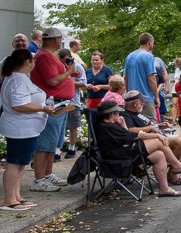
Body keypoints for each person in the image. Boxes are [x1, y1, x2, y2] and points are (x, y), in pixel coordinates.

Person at [1, 49, 65, 210]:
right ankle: (9, 199)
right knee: (14, 163)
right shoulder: (17, 80)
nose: (35, 62)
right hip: (20, 128)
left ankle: (16, 195)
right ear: (27, 62)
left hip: (28, 127)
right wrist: (43, 108)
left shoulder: (21, 78)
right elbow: (19, 105)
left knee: (21, 163)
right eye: (33, 60)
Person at [93, 101, 181, 197]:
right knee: (158, 141)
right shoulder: (108, 127)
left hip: (125, 151)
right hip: (119, 158)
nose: (119, 114)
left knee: (159, 155)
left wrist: (123, 123)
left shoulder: (110, 124)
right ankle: (177, 165)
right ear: (112, 114)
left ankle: (164, 189)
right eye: (117, 113)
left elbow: (126, 135)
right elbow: (133, 136)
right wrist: (157, 135)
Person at [29, 27, 78, 192]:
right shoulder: (44, 56)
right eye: (60, 38)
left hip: (60, 104)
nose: (61, 41)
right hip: (52, 103)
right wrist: (69, 72)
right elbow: (52, 81)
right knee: (45, 144)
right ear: (56, 39)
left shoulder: (48, 56)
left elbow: (57, 77)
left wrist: (69, 73)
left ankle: (48, 175)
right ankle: (39, 180)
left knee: (53, 143)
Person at [120, 91, 181, 184]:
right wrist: (151, 128)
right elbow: (130, 130)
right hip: (148, 142)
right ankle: (173, 174)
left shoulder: (137, 113)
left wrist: (159, 126)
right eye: (141, 101)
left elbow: (148, 126)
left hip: (158, 136)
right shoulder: (126, 115)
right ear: (135, 103)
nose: (143, 103)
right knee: (178, 141)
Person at [123, 33, 159, 120]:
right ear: (150, 42)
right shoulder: (148, 56)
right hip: (145, 97)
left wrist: (129, 94)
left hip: (131, 98)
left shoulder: (129, 56)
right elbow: (151, 78)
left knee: (134, 123)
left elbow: (125, 77)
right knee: (150, 123)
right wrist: (156, 97)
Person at [84, 50, 113, 130]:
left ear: (102, 61)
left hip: (103, 100)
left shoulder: (107, 70)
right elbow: (82, 85)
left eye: (97, 60)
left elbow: (112, 86)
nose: (94, 62)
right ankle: (93, 139)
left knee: (103, 121)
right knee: (91, 122)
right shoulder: (87, 72)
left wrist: (101, 86)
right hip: (91, 100)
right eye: (93, 60)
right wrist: (87, 86)